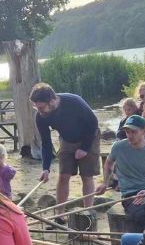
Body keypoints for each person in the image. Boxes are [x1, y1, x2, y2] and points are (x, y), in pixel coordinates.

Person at [30, 83, 101, 213]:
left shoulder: (74, 101)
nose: (39, 111)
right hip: (67, 139)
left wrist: (84, 148)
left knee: (86, 176)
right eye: (36, 107)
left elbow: (93, 123)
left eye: (41, 107)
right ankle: (60, 214)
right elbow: (46, 142)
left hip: (89, 136)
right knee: (63, 175)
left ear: (52, 100)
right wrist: (45, 168)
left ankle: (88, 212)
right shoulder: (41, 117)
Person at [96, 115, 145, 232]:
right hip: (129, 194)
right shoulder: (119, 147)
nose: (129, 135)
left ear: (144, 130)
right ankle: (140, 244)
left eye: (133, 132)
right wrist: (105, 183)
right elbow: (108, 164)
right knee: (141, 214)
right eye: (127, 131)